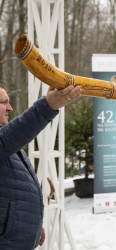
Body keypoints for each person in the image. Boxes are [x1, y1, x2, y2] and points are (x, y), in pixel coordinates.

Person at [0, 83, 81, 249]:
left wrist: (32, 226)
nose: (10, 108)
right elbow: (8, 138)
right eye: (4, 102)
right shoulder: (4, 140)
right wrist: (48, 106)